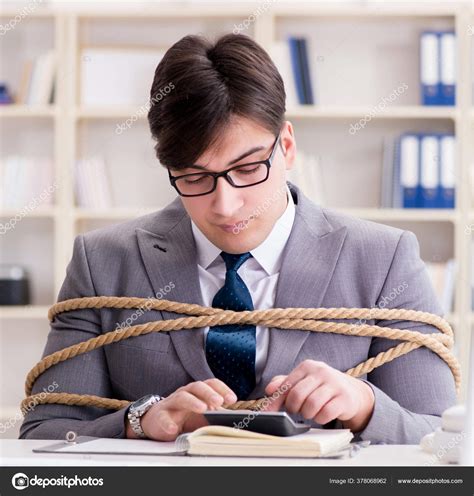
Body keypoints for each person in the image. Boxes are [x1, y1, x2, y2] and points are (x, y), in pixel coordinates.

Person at [20, 33, 456, 444]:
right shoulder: (103, 261)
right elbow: (44, 431)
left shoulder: (384, 259)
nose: (225, 206)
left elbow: (441, 439)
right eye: (194, 177)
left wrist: (365, 406)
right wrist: (140, 421)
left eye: (247, 170)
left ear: (286, 146)